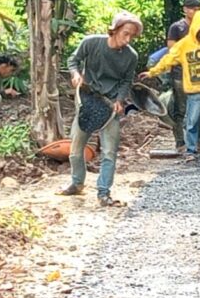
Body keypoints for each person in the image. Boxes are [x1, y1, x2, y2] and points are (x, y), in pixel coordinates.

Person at [58, 11, 142, 207]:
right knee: (75, 150)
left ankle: (103, 192)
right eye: (125, 33)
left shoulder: (131, 56)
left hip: (110, 104)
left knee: (109, 152)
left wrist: (120, 100)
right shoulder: (92, 43)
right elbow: (73, 60)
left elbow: (126, 80)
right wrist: (75, 74)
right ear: (114, 30)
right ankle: (77, 183)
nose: (128, 39)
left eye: (132, 36)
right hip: (88, 99)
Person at [142, 7, 200, 160]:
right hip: (194, 90)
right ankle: (191, 150)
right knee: (192, 120)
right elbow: (167, 60)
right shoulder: (184, 44)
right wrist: (152, 72)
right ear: (196, 27)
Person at [164, 0, 200, 153]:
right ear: (185, 9)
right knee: (180, 109)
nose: (195, 12)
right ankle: (180, 142)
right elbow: (173, 50)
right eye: (193, 9)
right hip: (181, 74)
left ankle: (199, 142)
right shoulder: (177, 28)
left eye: (198, 9)